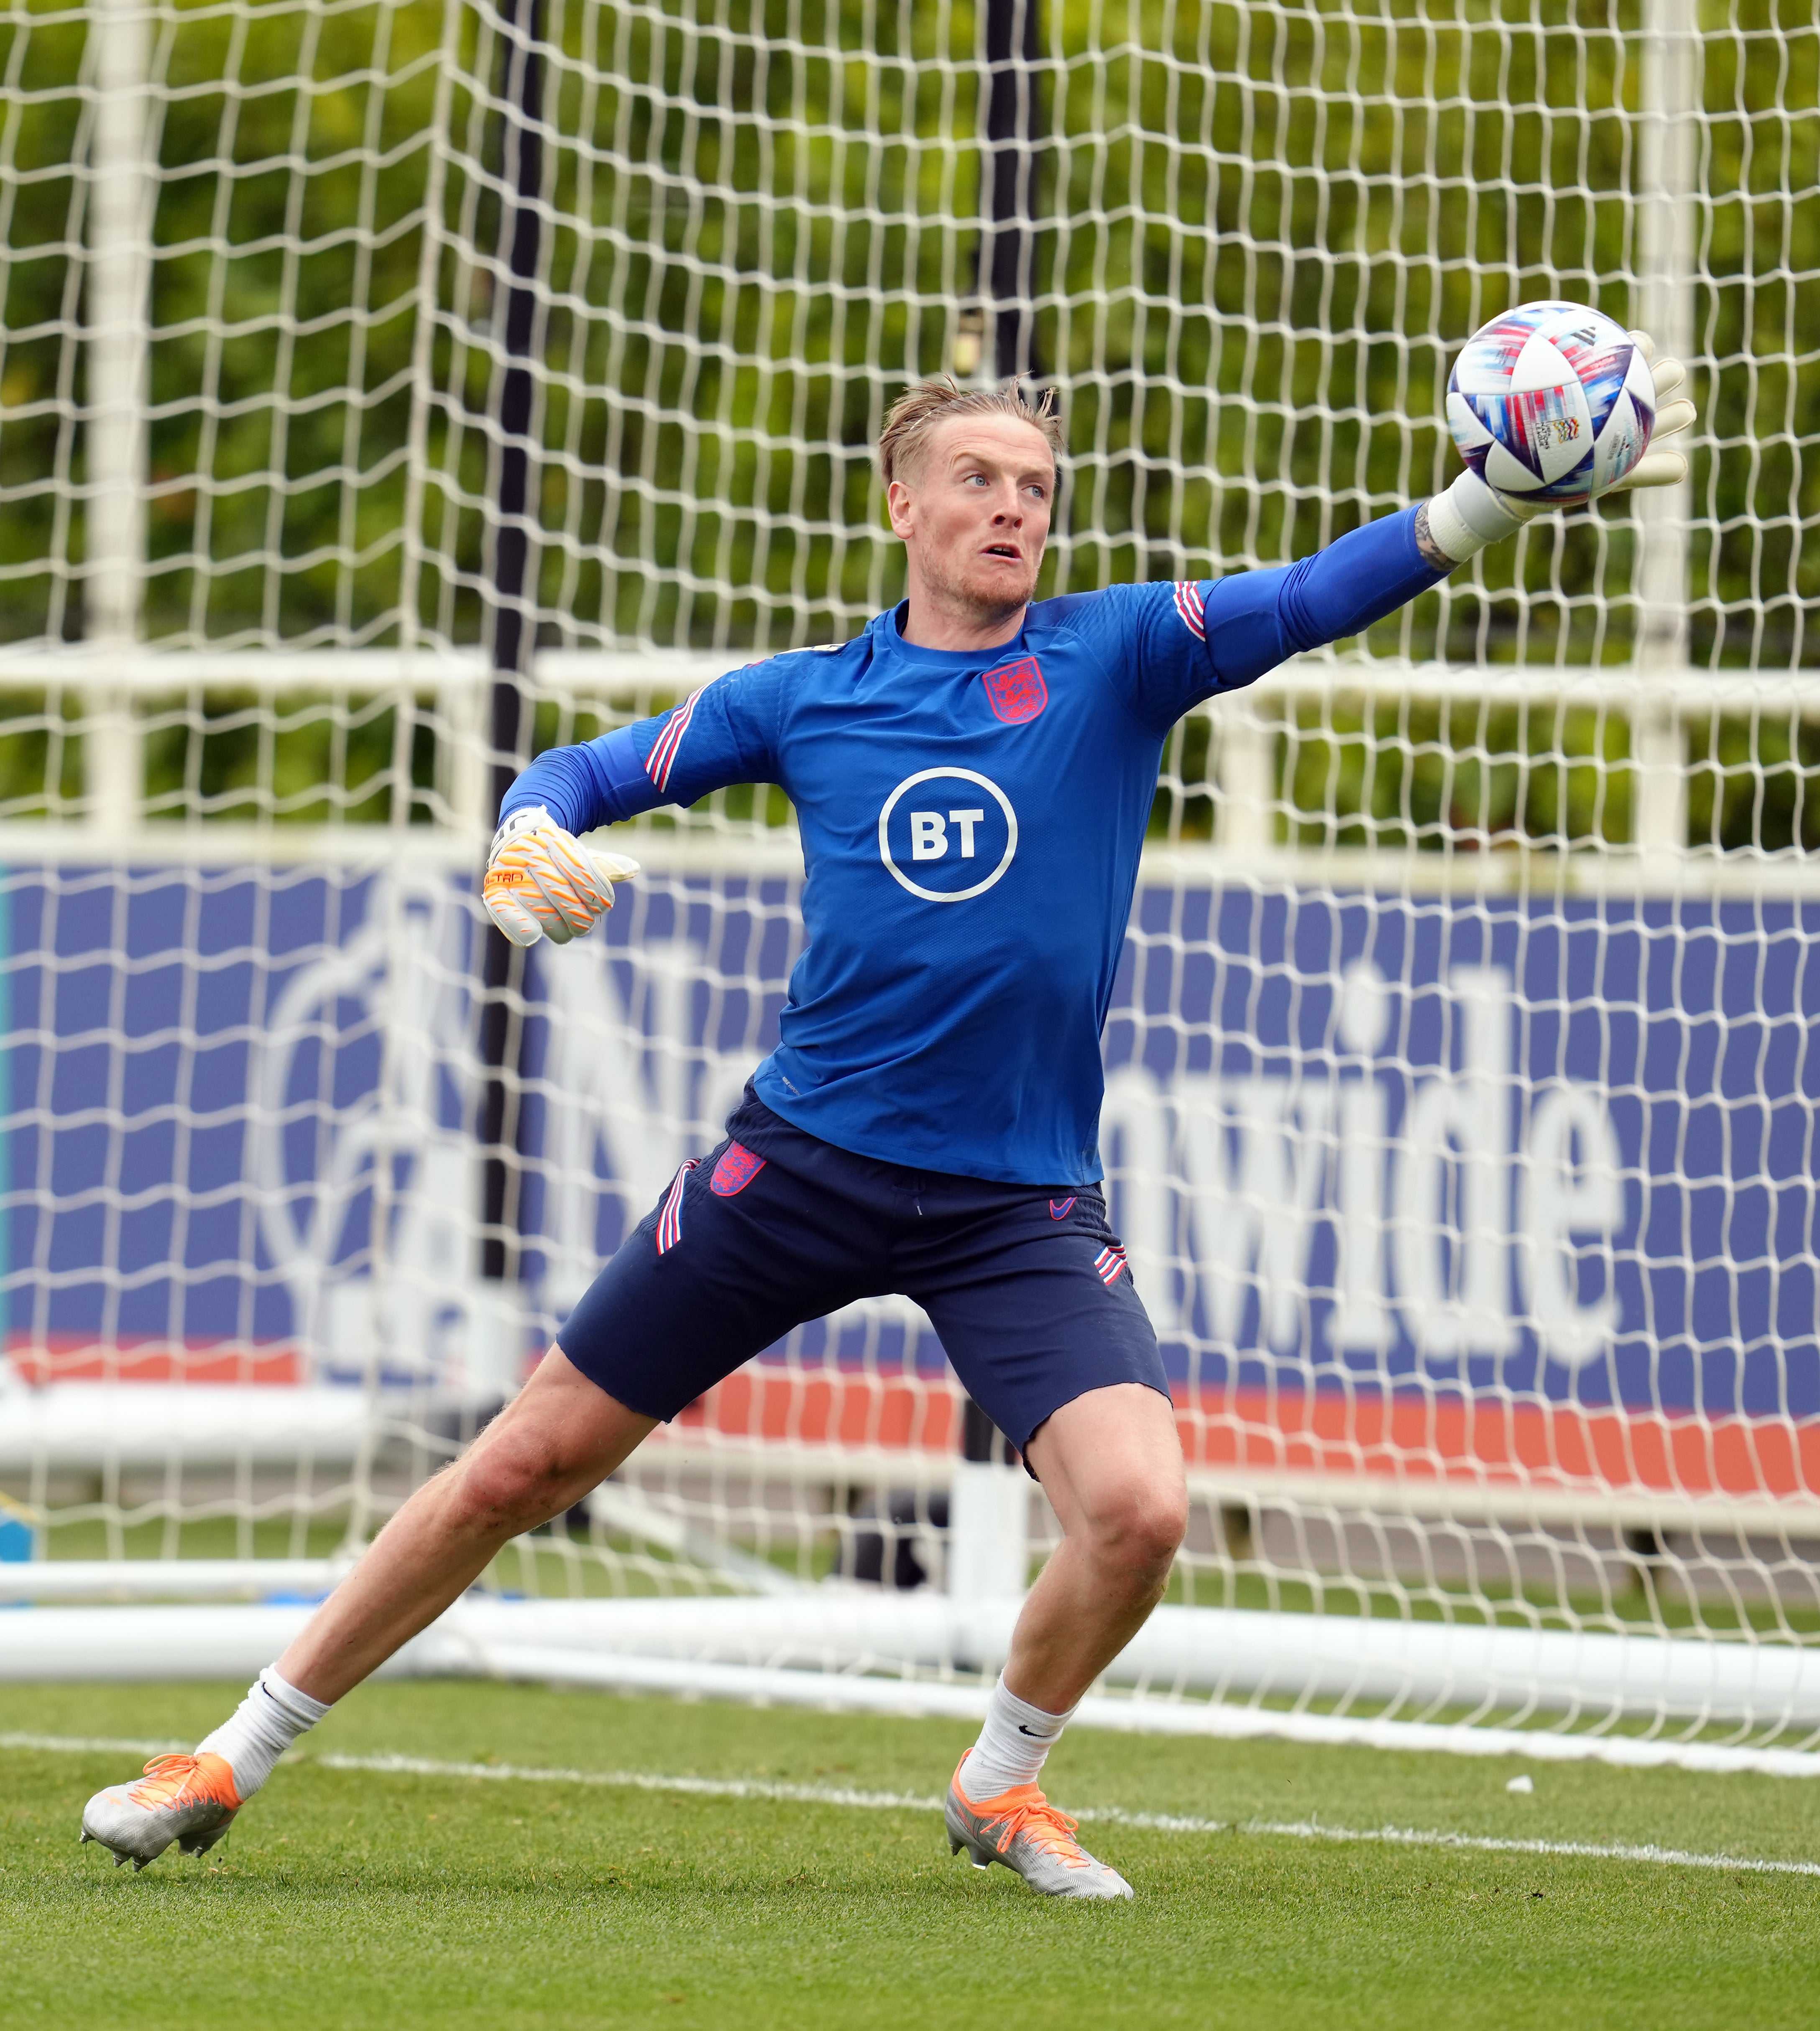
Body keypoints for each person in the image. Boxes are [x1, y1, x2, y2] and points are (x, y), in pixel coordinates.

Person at [80, 346, 1695, 1898]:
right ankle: (226, 1755)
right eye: (978, 479)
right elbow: (581, 767)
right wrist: (520, 839)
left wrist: (1483, 504)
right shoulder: (806, 699)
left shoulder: (1115, 651)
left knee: (1139, 1515)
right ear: (902, 505)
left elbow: (1301, 600)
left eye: (1039, 487)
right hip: (797, 1167)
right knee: (521, 1465)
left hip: (1017, 1205)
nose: (1015, 507)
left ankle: (1000, 1779)